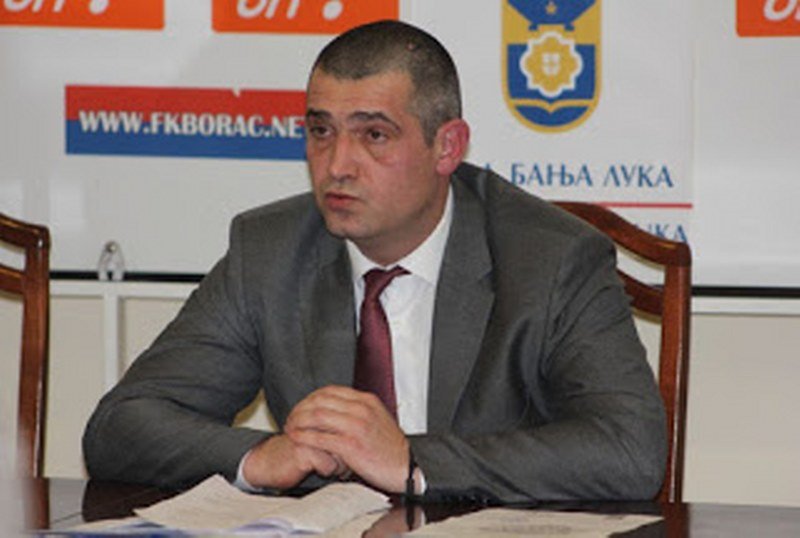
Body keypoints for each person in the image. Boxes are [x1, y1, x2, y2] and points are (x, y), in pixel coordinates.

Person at [83, 20, 665, 503]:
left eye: (375, 136)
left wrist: (413, 461)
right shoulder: (269, 251)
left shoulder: (552, 258)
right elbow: (120, 426)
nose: (337, 165)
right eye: (321, 131)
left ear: (447, 147)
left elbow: (630, 450)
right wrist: (260, 457)